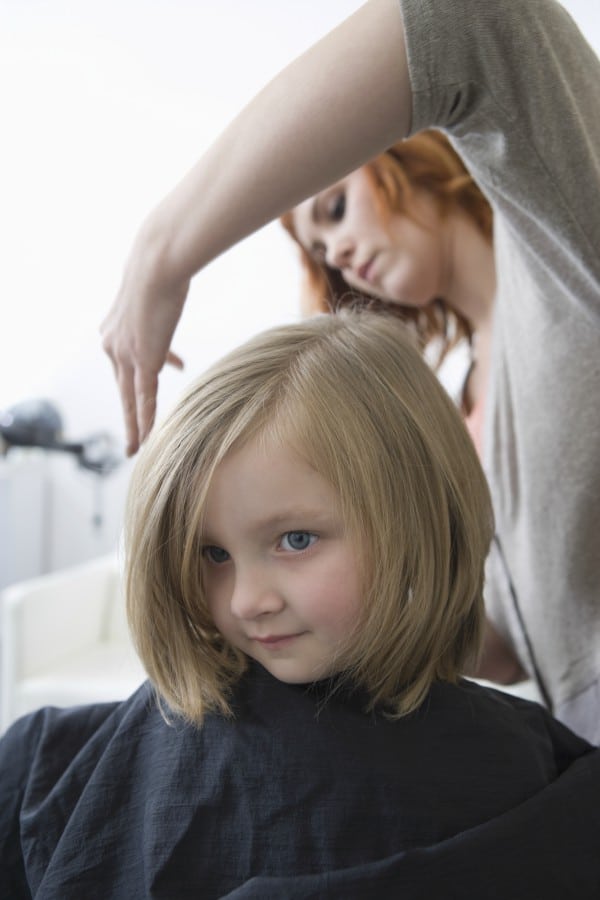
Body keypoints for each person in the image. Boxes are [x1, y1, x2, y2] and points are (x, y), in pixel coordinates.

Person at [101, 0, 600, 744]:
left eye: (336, 207)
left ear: (413, 154)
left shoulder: (570, 258)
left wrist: (160, 255)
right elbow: (508, 640)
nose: (338, 254)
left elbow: (475, 18)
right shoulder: (454, 404)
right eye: (320, 252)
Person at [2, 312, 600, 899]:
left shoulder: (528, 779)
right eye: (214, 554)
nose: (245, 602)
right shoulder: (52, 754)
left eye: (295, 541)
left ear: (418, 518)